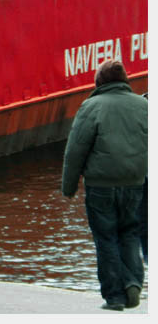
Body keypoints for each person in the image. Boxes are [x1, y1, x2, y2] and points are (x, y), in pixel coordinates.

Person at [61, 60, 147, 311]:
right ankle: (133, 282)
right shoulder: (144, 106)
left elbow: (75, 151)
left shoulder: (91, 107)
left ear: (100, 82)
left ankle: (115, 297)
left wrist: (68, 187)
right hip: (134, 183)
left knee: (106, 237)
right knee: (130, 232)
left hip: (101, 186)